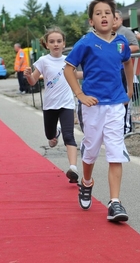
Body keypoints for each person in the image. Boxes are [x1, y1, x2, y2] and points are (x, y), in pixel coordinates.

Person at [64, 0, 134, 222]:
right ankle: (86, 182)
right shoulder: (85, 42)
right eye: (98, 13)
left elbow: (128, 63)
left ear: (115, 19)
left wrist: (129, 90)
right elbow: (68, 69)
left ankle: (114, 203)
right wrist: (80, 95)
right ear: (91, 20)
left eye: (108, 13)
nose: (103, 16)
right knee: (91, 150)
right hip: (93, 106)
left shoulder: (122, 42)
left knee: (115, 151)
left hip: (116, 105)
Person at [24, 27, 83, 184]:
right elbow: (33, 81)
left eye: (59, 41)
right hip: (50, 105)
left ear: (64, 44)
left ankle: (73, 168)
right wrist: (29, 76)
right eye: (52, 42)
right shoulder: (43, 61)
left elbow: (76, 75)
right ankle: (54, 133)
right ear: (47, 44)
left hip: (67, 103)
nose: (56, 44)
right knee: (49, 136)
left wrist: (95, 72)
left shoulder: (69, 60)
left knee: (69, 135)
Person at [113, 10, 140, 134]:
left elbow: (136, 46)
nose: (113, 20)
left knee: (125, 98)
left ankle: (126, 127)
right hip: (113, 70)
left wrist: (121, 50)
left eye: (116, 18)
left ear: (121, 19)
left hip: (123, 70)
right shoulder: (109, 33)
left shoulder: (125, 32)